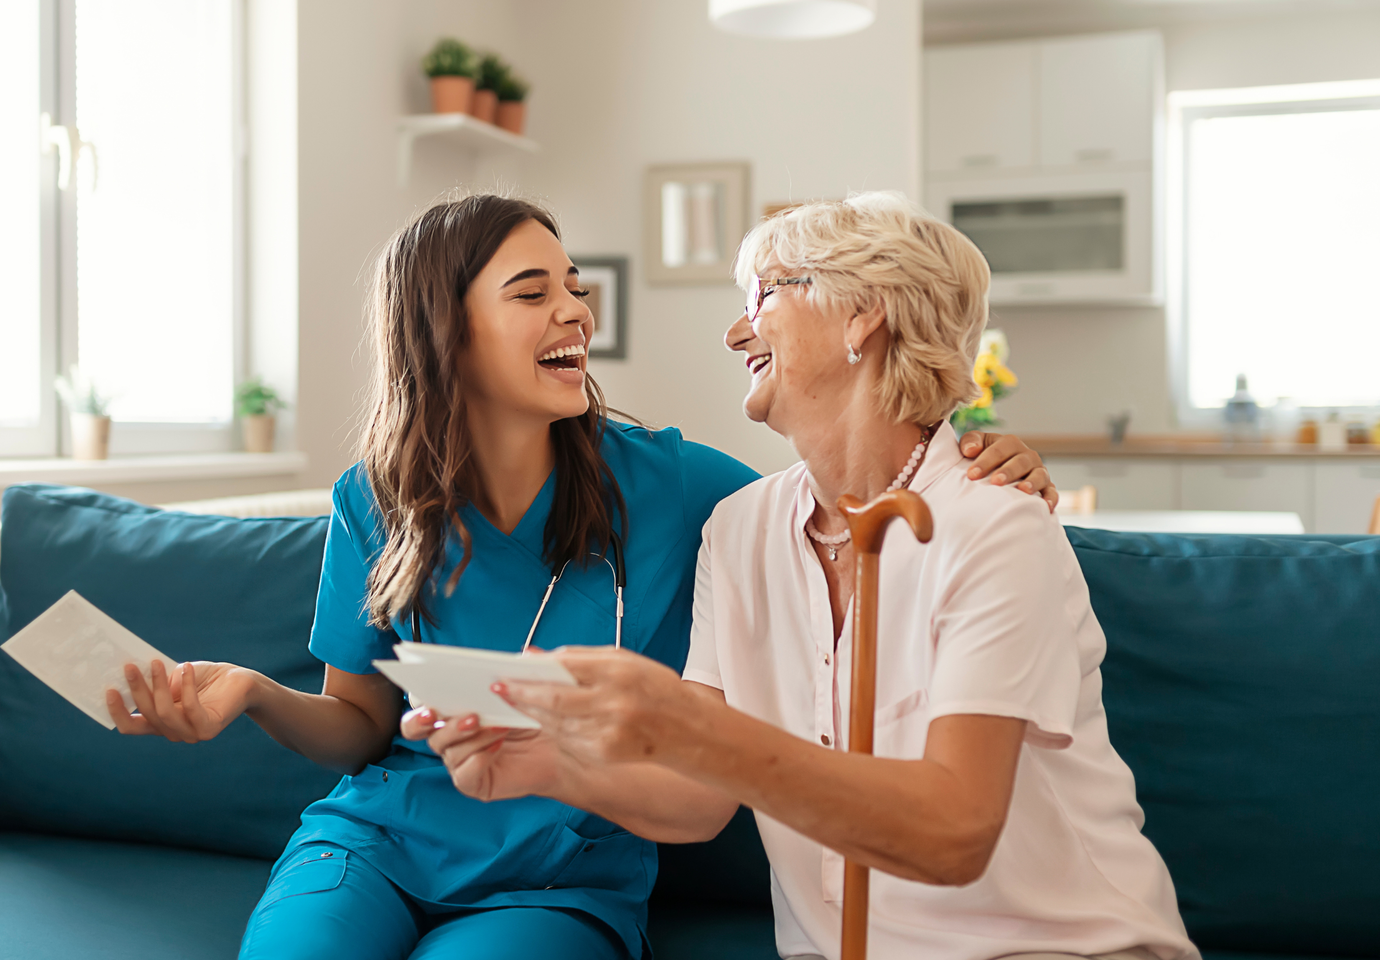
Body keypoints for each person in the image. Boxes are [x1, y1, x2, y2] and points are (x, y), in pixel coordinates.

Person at [103, 193, 1059, 960]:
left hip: (563, 867)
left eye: (574, 287)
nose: (575, 311)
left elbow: (852, 488)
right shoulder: (375, 495)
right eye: (532, 293)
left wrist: (972, 449)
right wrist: (255, 696)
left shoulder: (674, 483)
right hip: (374, 844)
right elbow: (358, 730)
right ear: (448, 331)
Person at [417, 194, 1200, 960]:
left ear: (862, 315)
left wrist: (691, 727)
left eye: (759, 296)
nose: (734, 331)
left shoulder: (993, 524)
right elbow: (697, 797)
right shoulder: (740, 530)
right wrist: (545, 765)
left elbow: (955, 833)